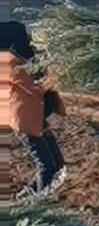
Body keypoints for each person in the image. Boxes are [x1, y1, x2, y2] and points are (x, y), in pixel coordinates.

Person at [0, 19, 66, 194]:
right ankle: (33, 201)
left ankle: (30, 196)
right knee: (49, 166)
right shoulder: (14, 58)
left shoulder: (17, 59)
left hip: (31, 112)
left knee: (55, 164)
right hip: (28, 113)